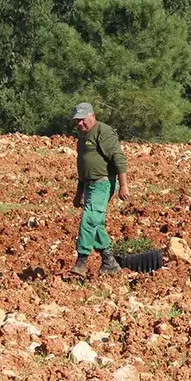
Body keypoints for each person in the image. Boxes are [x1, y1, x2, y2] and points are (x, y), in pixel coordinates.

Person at [69, 102, 129, 276]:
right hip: (88, 185)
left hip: (102, 184)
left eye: (82, 120)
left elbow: (118, 157)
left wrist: (123, 185)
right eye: (77, 121)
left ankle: (81, 261)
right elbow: (83, 169)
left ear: (92, 116)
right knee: (95, 223)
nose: (80, 124)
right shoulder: (82, 138)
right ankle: (109, 262)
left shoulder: (103, 131)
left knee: (88, 220)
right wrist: (78, 193)